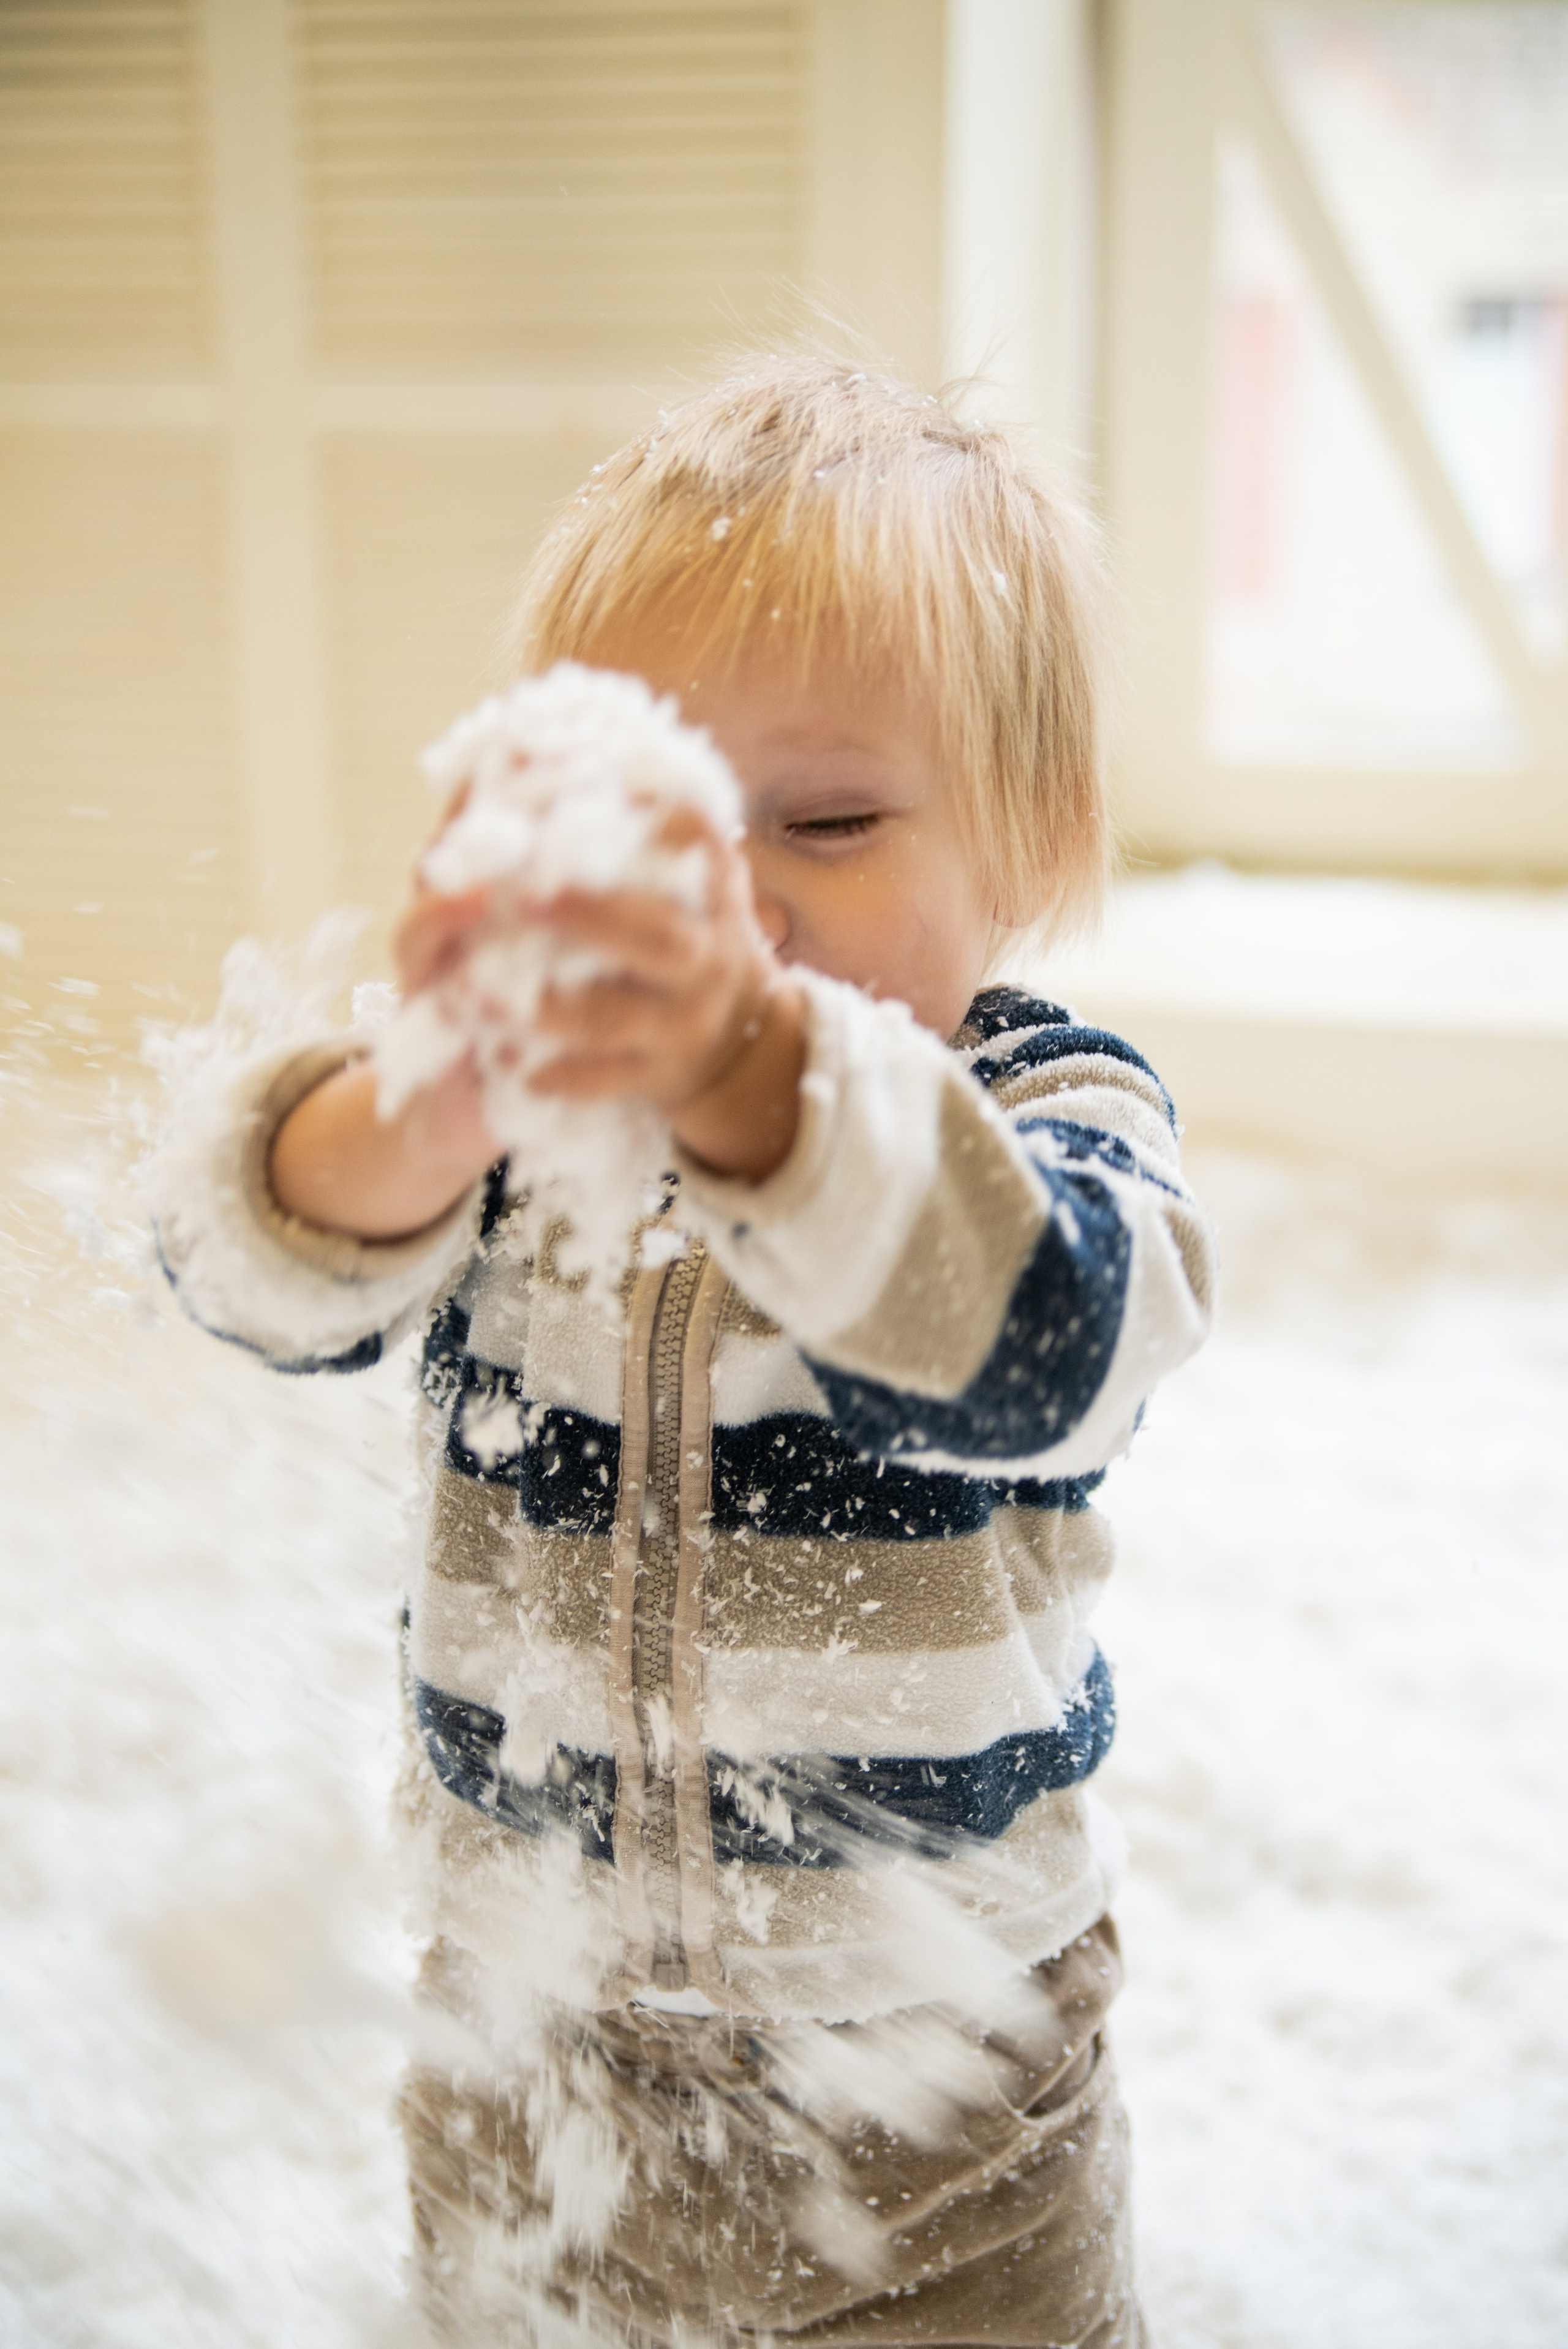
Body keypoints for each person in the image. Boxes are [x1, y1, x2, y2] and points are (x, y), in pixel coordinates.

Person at [156, 357, 1215, 2348]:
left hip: (941, 2095)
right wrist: (419, 1104)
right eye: (654, 827)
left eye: (827, 818)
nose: (728, 905)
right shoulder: (519, 1111)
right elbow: (248, 1270)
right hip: (526, 2037)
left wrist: (758, 1074)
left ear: (1032, 838)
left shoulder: (1039, 1119)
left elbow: (1053, 1344)